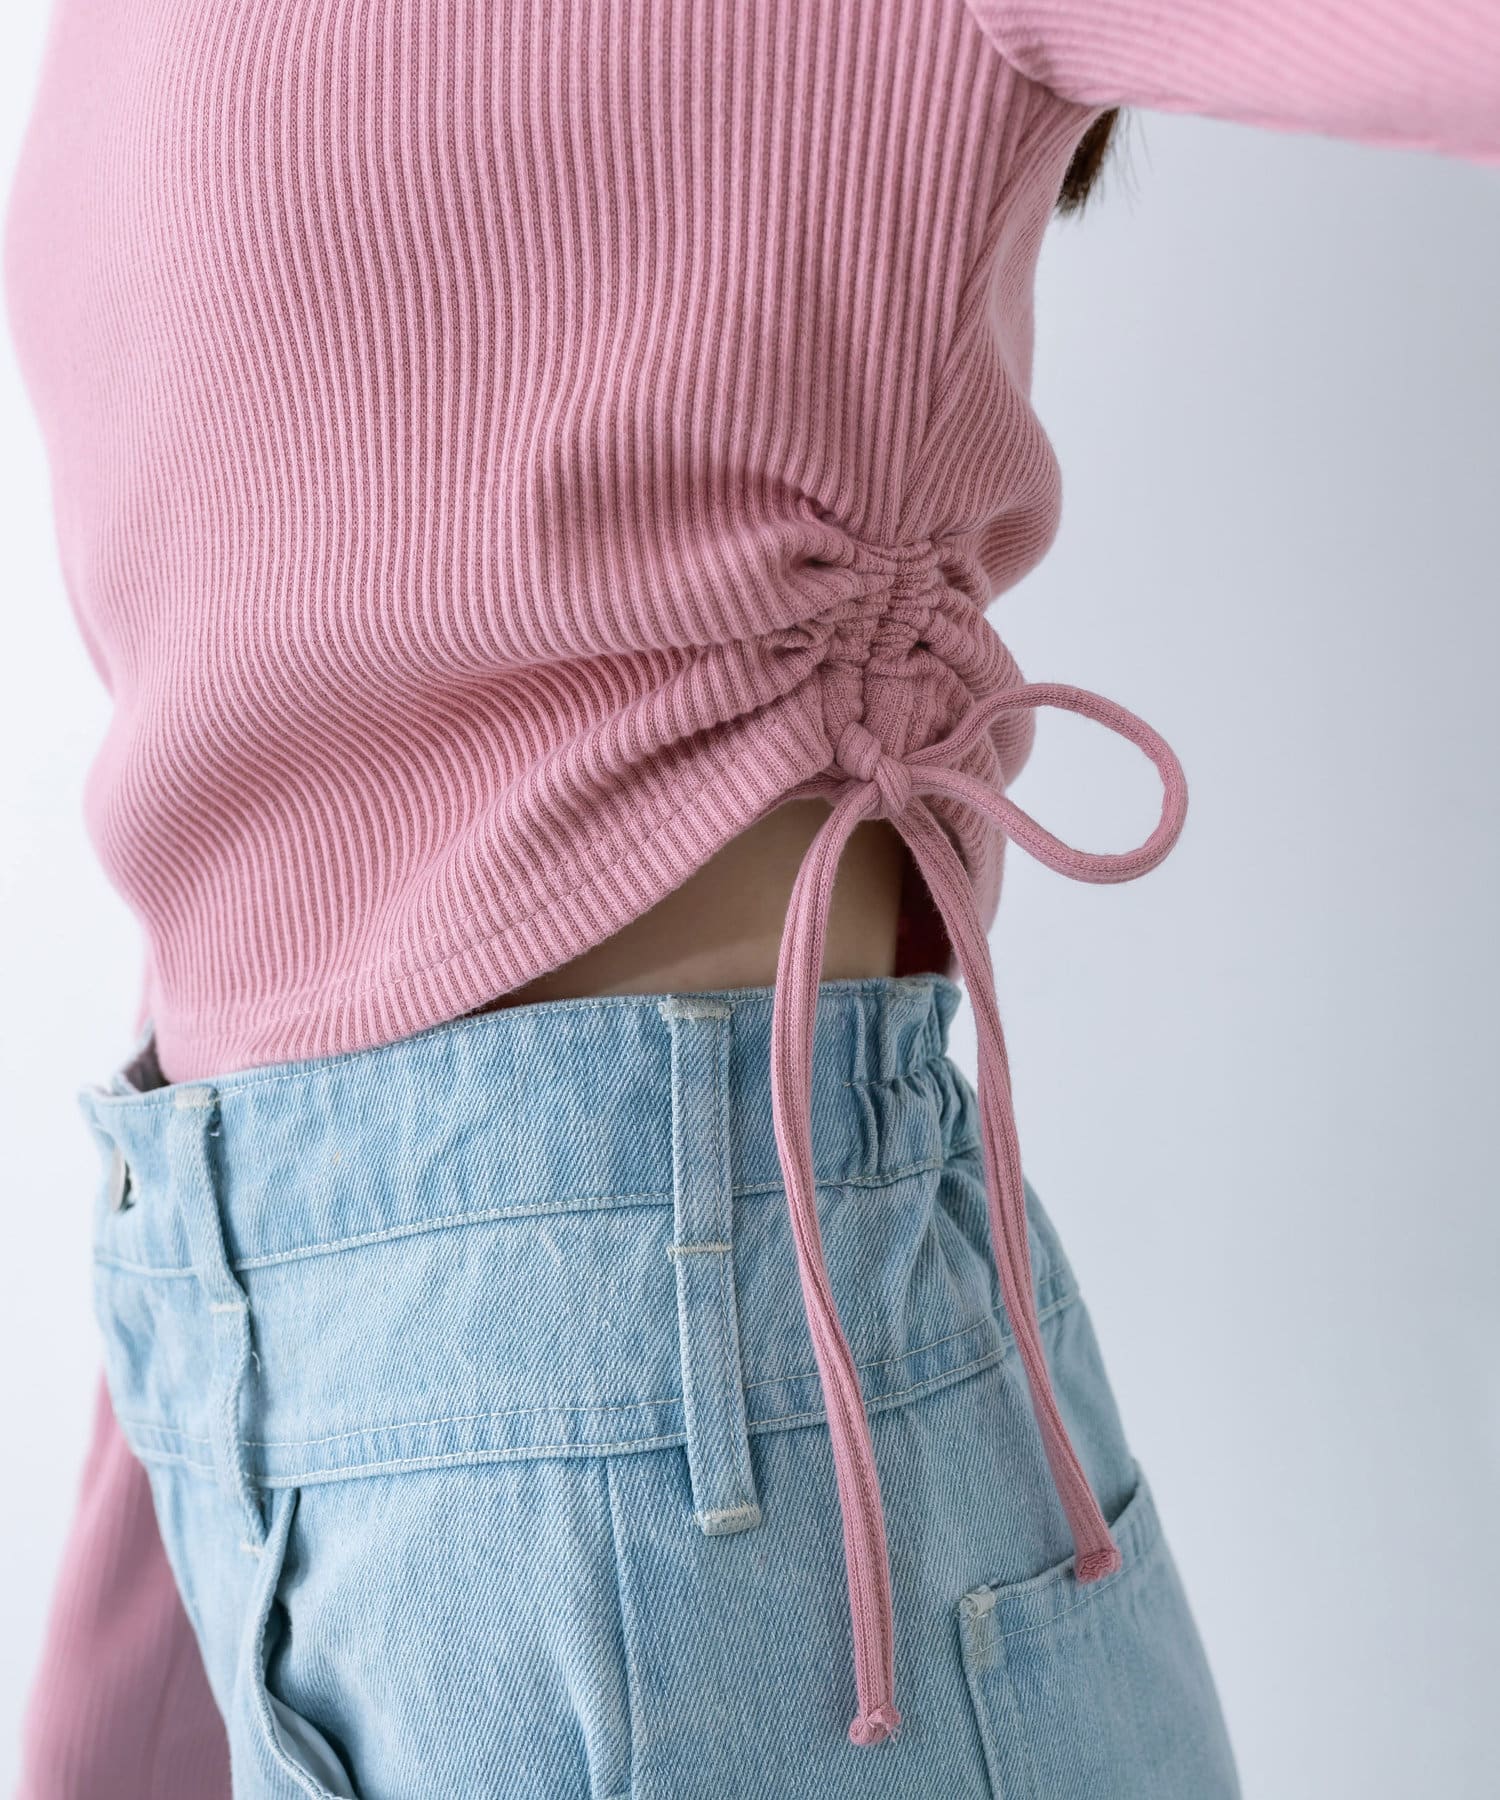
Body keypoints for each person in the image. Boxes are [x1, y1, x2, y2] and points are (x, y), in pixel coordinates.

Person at [6, 3, 1495, 1795]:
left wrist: (121, 1689)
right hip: (711, 1418)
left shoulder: (120, 55)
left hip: (274, 1425)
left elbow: (258, 991)